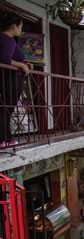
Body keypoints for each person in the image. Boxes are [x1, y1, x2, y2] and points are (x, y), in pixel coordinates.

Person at [0, 12, 30, 147]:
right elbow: (4, 59)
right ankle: (3, 140)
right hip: (11, 80)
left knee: (4, 109)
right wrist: (22, 65)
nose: (21, 30)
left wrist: (24, 63)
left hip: (5, 79)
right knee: (6, 110)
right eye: (20, 27)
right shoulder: (8, 39)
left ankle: (6, 138)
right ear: (13, 26)